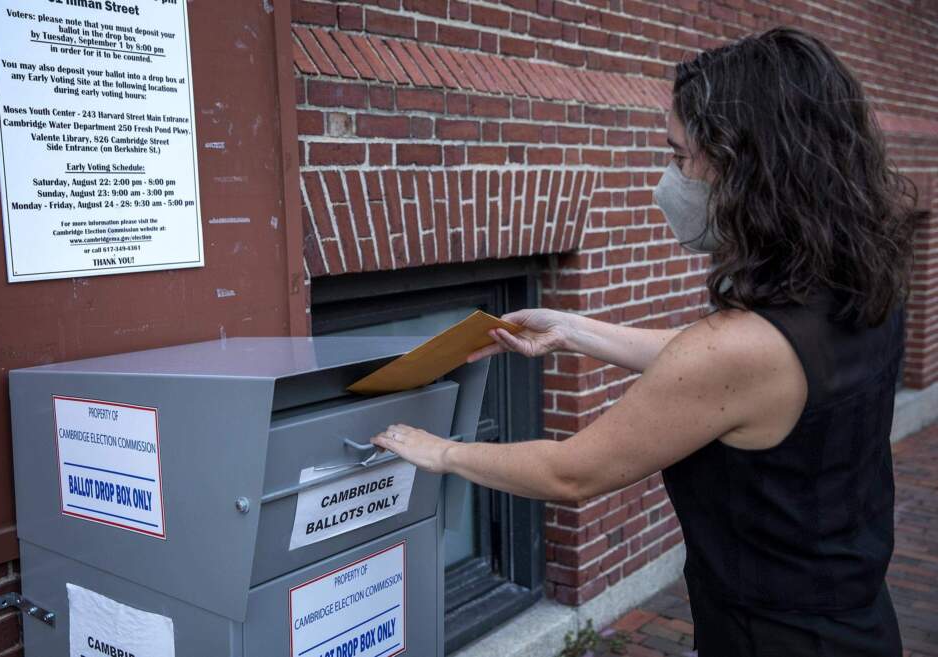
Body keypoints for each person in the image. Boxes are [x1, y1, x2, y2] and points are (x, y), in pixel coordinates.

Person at [371, 27, 919, 656]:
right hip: (858, 623)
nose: (669, 179)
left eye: (680, 157)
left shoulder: (740, 349)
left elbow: (571, 472)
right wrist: (574, 330)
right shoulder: (861, 286)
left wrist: (442, 453)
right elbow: (729, 379)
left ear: (746, 166)